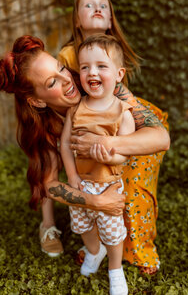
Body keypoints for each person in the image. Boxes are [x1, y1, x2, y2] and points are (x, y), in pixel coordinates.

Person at [0, 34, 169, 264]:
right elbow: (50, 186)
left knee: (127, 201)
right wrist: (95, 202)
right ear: (37, 101)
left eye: (61, 68)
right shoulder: (45, 128)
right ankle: (50, 226)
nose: (66, 80)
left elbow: (161, 138)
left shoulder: (96, 83)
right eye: (52, 83)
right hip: (95, 165)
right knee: (101, 204)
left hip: (137, 135)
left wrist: (106, 144)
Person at [58, 0, 170, 274]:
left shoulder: (115, 53)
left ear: (110, 19)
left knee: (130, 176)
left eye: (103, 5)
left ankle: (137, 244)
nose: (97, 7)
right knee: (95, 172)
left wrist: (111, 141)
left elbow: (129, 107)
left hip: (120, 124)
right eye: (88, 4)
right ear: (76, 18)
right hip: (84, 124)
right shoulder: (67, 56)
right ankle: (97, 242)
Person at [61, 34, 135, 295]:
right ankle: (95, 250)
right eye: (84, 67)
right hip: (80, 184)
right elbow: (65, 144)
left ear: (118, 74)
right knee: (82, 226)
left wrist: (110, 157)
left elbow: (125, 153)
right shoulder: (76, 109)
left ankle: (115, 268)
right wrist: (71, 174)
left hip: (108, 186)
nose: (92, 72)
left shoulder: (122, 112)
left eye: (101, 66)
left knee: (114, 234)